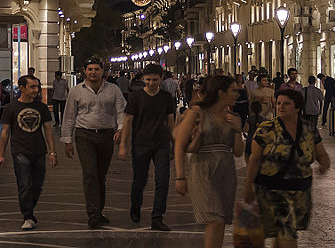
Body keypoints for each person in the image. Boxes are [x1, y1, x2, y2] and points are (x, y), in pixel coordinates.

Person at [244, 88, 330, 247]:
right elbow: (254, 160)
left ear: (297, 107)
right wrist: (248, 186)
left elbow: (321, 154)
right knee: (287, 233)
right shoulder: (266, 129)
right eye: (278, 103)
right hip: (273, 190)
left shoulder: (308, 128)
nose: (281, 107)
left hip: (300, 191)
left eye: (286, 103)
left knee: (283, 233)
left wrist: (324, 164)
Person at [173, 75, 244, 248]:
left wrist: (237, 129)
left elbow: (238, 151)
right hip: (203, 170)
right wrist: (180, 176)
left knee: (221, 220)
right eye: (234, 91)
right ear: (221, 93)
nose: (237, 94)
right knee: (215, 218)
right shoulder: (197, 113)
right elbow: (180, 144)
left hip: (226, 172)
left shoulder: (232, 117)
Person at [61, 58, 126, 228]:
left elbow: (121, 110)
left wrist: (120, 129)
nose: (93, 72)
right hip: (85, 135)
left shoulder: (113, 90)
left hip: (106, 135)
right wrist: (67, 140)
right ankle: (93, 213)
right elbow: (69, 116)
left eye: (97, 69)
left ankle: (99, 210)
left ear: (102, 71)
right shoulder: (76, 91)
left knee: (101, 175)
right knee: (90, 173)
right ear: (84, 71)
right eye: (90, 69)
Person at [119, 63, 178, 231]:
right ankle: (135, 206)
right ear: (144, 79)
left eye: (155, 80)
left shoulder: (166, 97)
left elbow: (171, 121)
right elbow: (128, 120)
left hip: (161, 143)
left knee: (163, 181)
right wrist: (123, 144)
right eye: (148, 79)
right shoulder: (136, 97)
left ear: (161, 79)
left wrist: (175, 143)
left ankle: (157, 217)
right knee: (140, 180)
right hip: (141, 144)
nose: (151, 83)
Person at [0, 74, 57, 230]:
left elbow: (48, 130)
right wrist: (1, 155)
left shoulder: (42, 108)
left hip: (39, 151)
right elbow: (5, 132)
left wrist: (52, 152)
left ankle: (29, 209)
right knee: (24, 184)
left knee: (37, 185)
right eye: (32, 87)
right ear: (22, 88)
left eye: (37, 87)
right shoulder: (11, 108)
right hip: (20, 150)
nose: (36, 90)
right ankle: (28, 216)